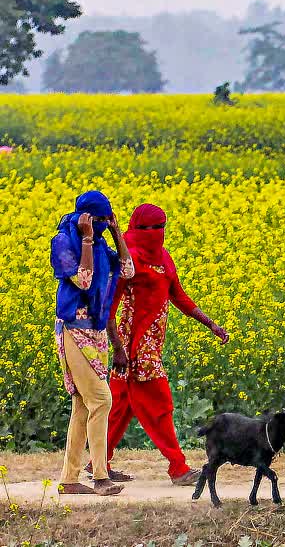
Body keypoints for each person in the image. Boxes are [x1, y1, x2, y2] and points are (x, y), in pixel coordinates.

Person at [101, 203, 229, 486]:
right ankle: (178, 468)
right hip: (136, 350)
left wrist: (210, 324)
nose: (157, 233)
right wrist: (118, 349)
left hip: (151, 346)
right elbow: (110, 307)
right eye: (151, 228)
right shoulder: (129, 259)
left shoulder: (163, 258)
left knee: (120, 408)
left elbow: (178, 295)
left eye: (162, 227)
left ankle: (98, 463)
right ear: (137, 229)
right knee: (159, 405)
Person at [51, 191, 133, 496]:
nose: (101, 225)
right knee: (102, 400)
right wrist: (86, 238)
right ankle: (100, 477)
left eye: (105, 220)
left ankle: (69, 479)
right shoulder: (63, 242)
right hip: (73, 329)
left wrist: (116, 232)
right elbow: (83, 280)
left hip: (96, 331)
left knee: (84, 406)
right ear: (84, 218)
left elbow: (127, 271)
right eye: (98, 220)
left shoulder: (101, 243)